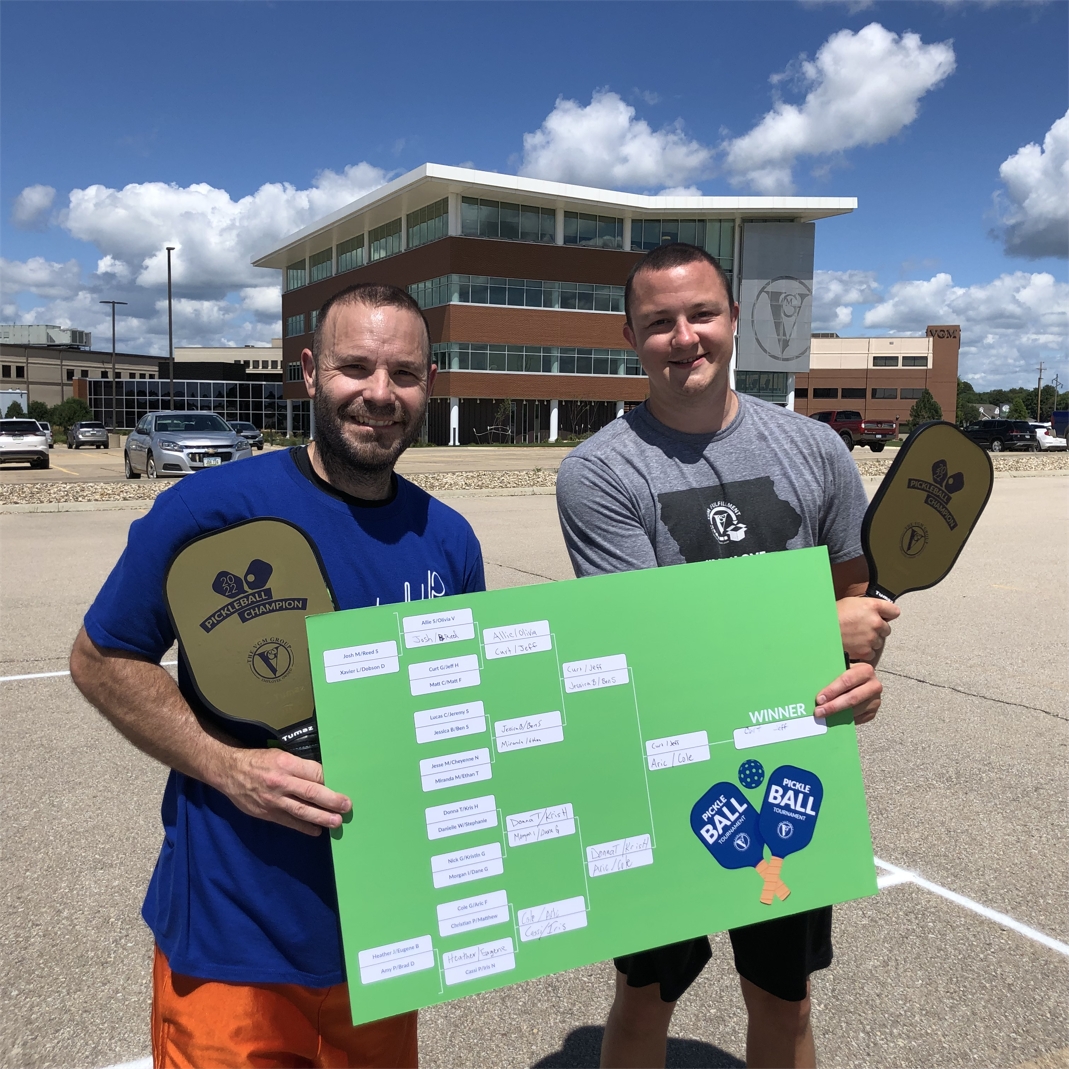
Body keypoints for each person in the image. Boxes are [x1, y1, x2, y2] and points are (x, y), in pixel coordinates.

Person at [70, 283, 484, 1069]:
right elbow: (101, 659)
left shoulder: (449, 541)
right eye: (354, 367)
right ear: (307, 371)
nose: (379, 394)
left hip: (381, 944)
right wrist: (227, 767)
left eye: (404, 373)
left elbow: (455, 720)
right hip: (235, 942)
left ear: (431, 382)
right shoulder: (212, 509)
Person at [555, 243, 900, 1069]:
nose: (684, 337)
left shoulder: (814, 450)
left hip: (791, 762)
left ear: (734, 320)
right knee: (643, 998)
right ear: (630, 337)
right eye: (658, 322)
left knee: (784, 1000)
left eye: (701, 314)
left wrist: (858, 668)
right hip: (657, 770)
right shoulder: (598, 472)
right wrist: (823, 631)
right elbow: (643, 639)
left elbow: (852, 592)